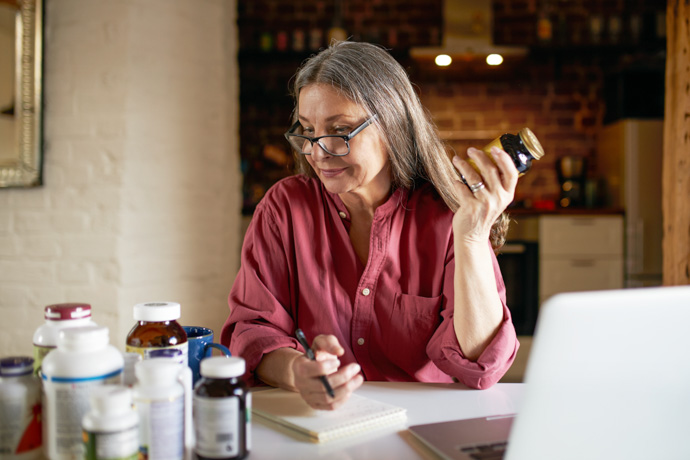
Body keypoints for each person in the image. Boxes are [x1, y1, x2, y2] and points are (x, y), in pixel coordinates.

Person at [221, 40, 519, 410]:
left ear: (392, 123)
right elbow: (252, 332)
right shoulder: (284, 208)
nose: (316, 151)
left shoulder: (447, 217)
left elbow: (479, 366)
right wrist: (298, 371)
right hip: (320, 424)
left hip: (422, 424)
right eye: (308, 131)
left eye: (339, 130)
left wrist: (472, 237)